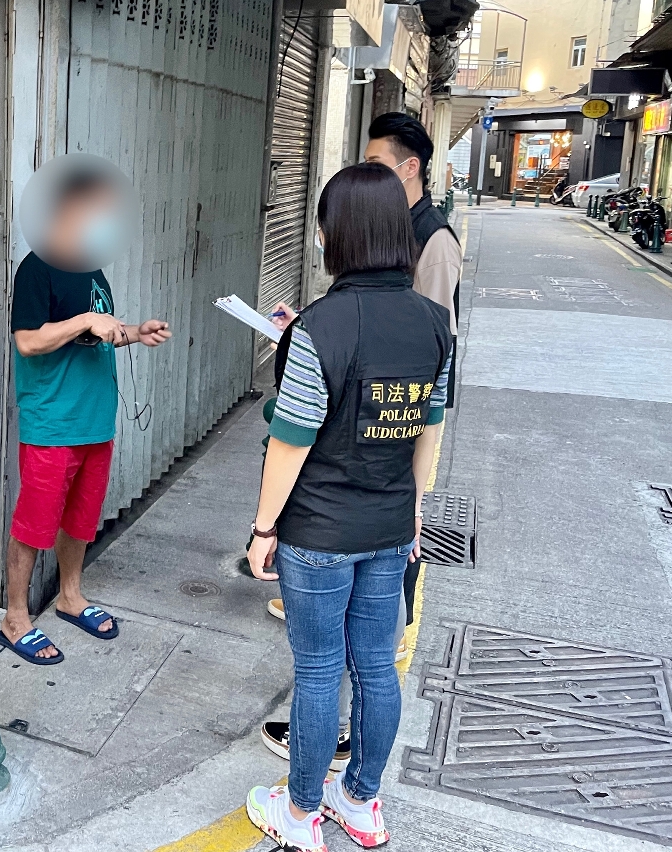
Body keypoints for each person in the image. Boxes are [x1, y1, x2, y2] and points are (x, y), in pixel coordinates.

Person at [244, 163, 452, 850]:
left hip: (319, 532)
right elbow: (428, 427)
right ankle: (359, 801)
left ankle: (300, 813)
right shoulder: (434, 324)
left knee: (317, 670)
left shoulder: (321, 327)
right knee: (376, 666)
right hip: (390, 526)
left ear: (337, 236)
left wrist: (263, 528)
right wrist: (415, 508)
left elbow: (291, 440)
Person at [0, 169, 171, 664]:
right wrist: (83, 321)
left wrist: (135, 331)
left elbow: (97, 332)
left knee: (80, 519)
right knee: (34, 523)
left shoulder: (92, 270)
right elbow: (28, 341)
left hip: (96, 422)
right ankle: (15, 618)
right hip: (53, 424)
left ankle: (70, 596)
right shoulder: (37, 269)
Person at [364, 111, 462, 642]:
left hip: (407, 404)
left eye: (375, 162)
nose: (365, 171)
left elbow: (433, 338)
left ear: (409, 168)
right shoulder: (389, 226)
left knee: (404, 509)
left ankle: (392, 627)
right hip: (373, 391)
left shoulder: (434, 238)